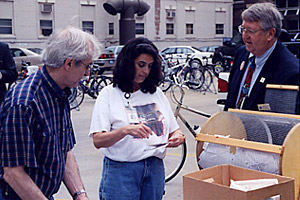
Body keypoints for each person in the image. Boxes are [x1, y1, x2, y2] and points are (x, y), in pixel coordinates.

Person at [0, 26, 101, 200]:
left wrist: (80, 194)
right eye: (87, 66)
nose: (87, 74)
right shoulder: (23, 104)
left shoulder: (59, 93)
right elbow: (13, 174)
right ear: (69, 63)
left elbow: (64, 151)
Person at [89, 37, 185, 200]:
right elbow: (98, 140)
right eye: (141, 65)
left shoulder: (156, 94)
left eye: (150, 66)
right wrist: (125, 130)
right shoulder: (109, 94)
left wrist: (178, 137)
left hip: (154, 170)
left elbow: (175, 129)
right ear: (128, 63)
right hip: (121, 172)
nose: (145, 71)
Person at [224, 2, 299, 113]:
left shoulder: (290, 72)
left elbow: (283, 123)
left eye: (251, 31)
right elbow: (231, 101)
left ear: (270, 34)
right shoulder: (242, 54)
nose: (244, 36)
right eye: (243, 29)